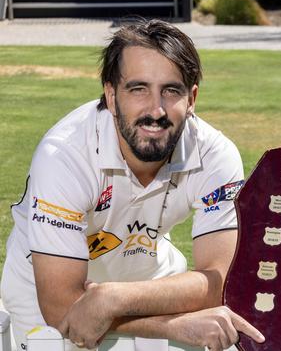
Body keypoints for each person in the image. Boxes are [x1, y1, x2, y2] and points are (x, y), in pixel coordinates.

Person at [1, 19, 265, 351]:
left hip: (146, 276)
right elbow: (62, 307)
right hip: (45, 288)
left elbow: (220, 280)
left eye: (171, 90)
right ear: (111, 95)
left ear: (192, 98)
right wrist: (173, 326)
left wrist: (115, 297)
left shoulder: (215, 154)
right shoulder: (65, 155)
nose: (156, 110)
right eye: (138, 88)